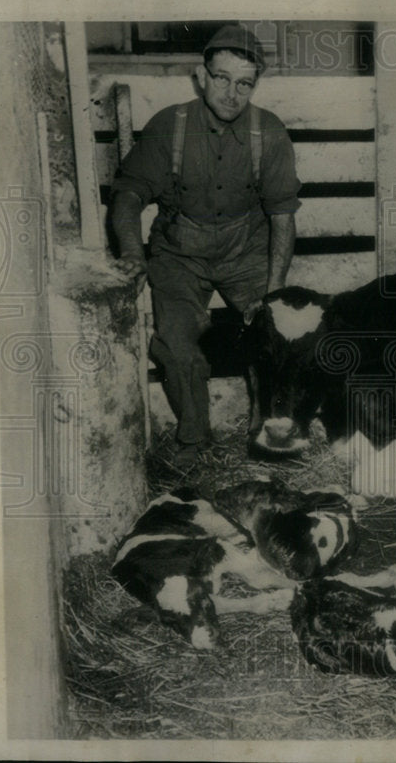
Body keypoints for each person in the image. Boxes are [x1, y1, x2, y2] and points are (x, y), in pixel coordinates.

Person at [110, 25, 301, 467]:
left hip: (246, 251)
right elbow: (129, 194)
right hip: (179, 252)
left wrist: (272, 293)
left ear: (255, 86)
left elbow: (283, 217)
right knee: (175, 344)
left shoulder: (268, 133)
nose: (232, 93)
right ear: (201, 75)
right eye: (221, 78)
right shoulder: (170, 126)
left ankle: (265, 432)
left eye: (244, 83)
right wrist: (132, 253)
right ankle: (194, 441)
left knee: (273, 337)